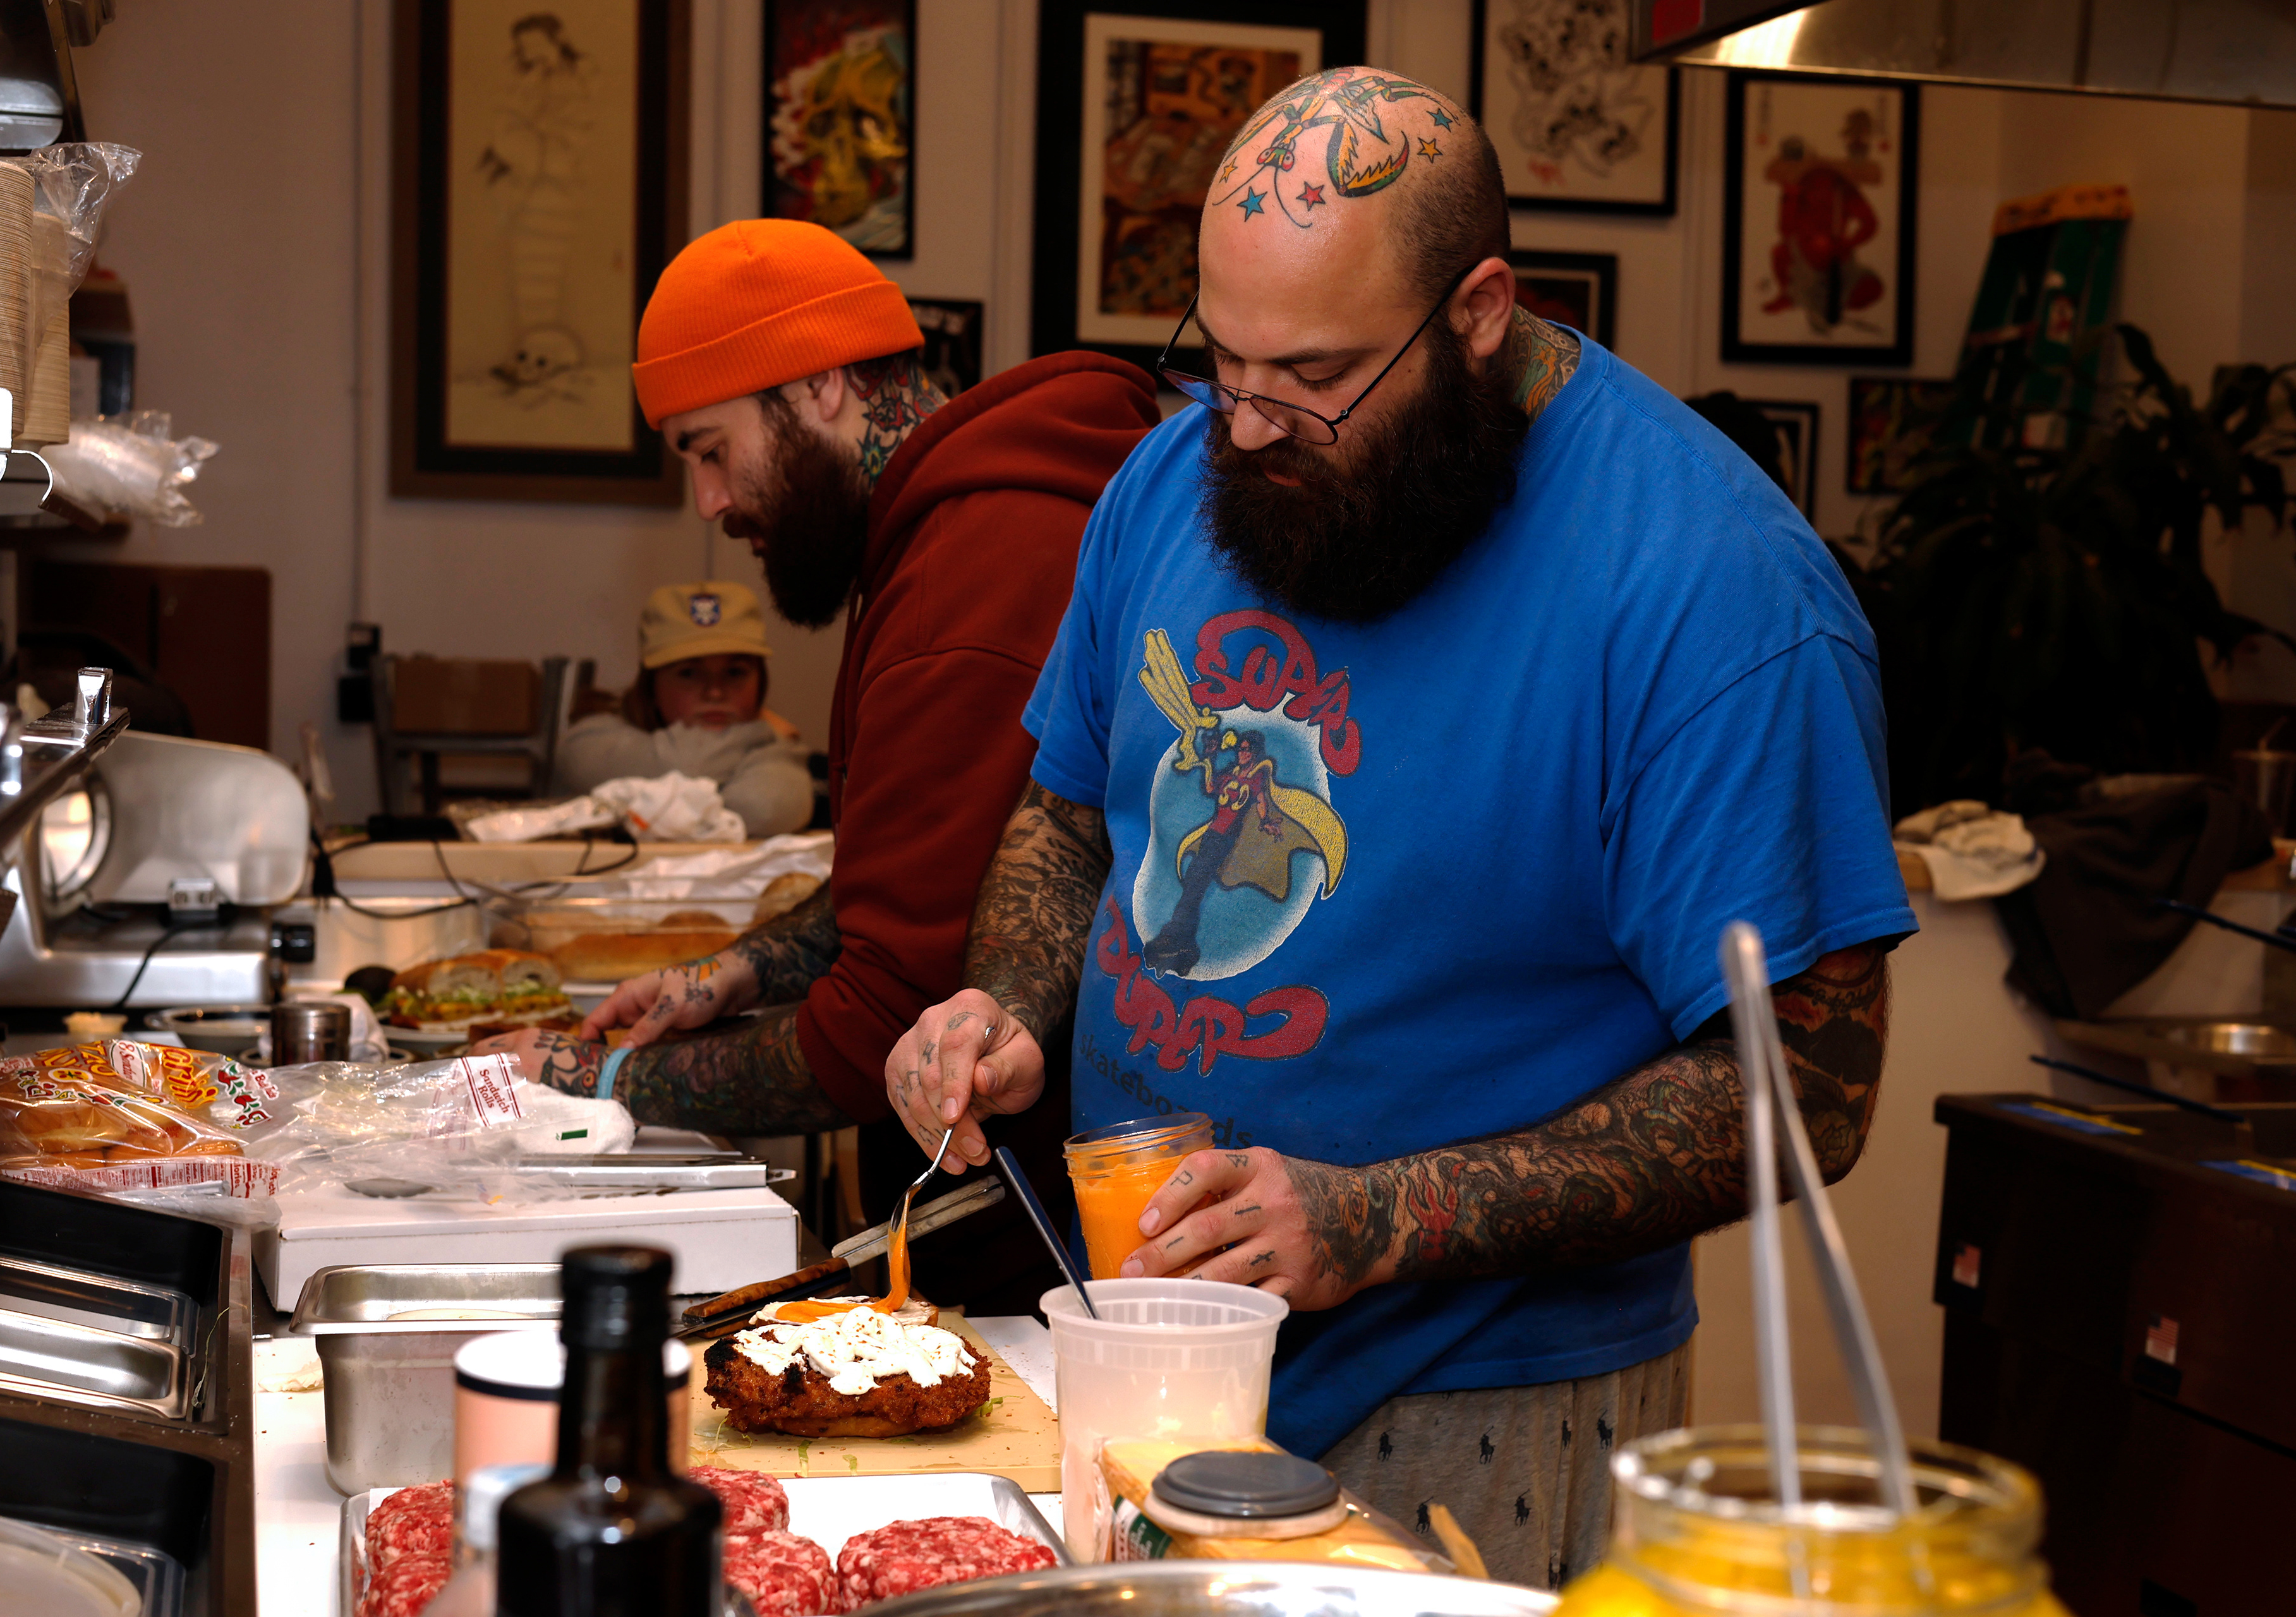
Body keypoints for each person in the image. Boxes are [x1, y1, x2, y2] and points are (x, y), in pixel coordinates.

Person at [881, 68, 1915, 1588]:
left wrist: (1383, 1214)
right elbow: (1069, 804)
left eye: (1307, 376)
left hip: (1483, 1400)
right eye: (1220, 363)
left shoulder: (1712, 587)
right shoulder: (1178, 475)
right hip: (1139, 1354)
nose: (1244, 428)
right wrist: (1004, 1000)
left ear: (1477, 309)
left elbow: (1805, 1088)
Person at [476, 220, 1161, 1313]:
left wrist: (588, 1077)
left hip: (1036, 1245)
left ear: (823, 386)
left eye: (710, 449)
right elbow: (915, 887)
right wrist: (733, 974)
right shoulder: (933, 532)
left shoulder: (966, 577)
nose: (708, 502)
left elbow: (883, 1017)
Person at [554, 579, 815, 838]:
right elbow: (682, 763)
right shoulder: (594, 739)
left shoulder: (776, 754)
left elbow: (763, 809)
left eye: (735, 672)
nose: (715, 692)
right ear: (651, 684)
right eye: (689, 673)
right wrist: (760, 733)